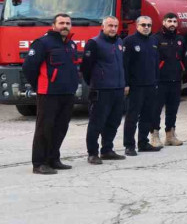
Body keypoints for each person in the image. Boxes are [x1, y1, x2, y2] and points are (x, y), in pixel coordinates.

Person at [24, 14, 78, 175]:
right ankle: (39, 163)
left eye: (68, 23)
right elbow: (29, 67)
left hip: (67, 93)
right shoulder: (43, 43)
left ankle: (54, 159)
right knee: (44, 129)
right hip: (48, 93)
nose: (65, 26)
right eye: (61, 23)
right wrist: (39, 85)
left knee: (61, 127)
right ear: (54, 25)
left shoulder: (71, 44)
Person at [81, 16, 127, 165]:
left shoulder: (120, 42)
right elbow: (85, 68)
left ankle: (107, 150)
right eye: (110, 26)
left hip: (118, 90)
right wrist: (95, 83)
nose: (113, 29)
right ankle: (93, 153)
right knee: (96, 123)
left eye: (115, 26)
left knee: (113, 122)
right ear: (103, 26)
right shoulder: (94, 43)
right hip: (101, 90)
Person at [122, 16, 161, 156]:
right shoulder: (129, 41)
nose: (146, 27)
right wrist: (126, 84)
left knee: (147, 116)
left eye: (149, 25)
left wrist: (156, 82)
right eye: (143, 25)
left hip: (150, 85)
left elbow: (156, 64)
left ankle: (143, 143)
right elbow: (125, 65)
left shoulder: (154, 41)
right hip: (135, 86)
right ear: (137, 26)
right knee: (132, 117)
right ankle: (129, 145)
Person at [152, 13, 185, 147]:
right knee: (156, 109)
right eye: (169, 21)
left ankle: (170, 135)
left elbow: (183, 58)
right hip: (160, 80)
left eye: (174, 21)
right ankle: (154, 135)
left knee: (172, 109)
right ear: (164, 22)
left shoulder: (180, 39)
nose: (172, 24)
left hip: (176, 80)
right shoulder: (156, 38)